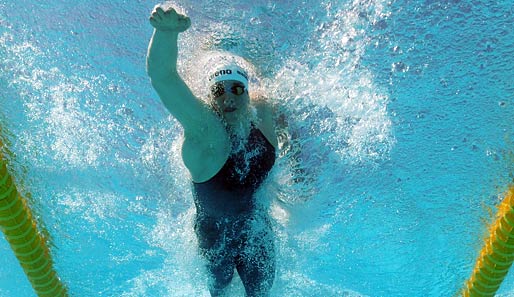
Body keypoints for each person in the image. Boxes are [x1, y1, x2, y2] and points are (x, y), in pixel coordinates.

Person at [147, 5, 278, 296]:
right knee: (219, 290)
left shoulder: (262, 113)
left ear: (247, 92)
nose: (229, 98)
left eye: (236, 89)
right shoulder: (207, 135)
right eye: (219, 90)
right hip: (215, 236)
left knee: (262, 293)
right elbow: (163, 79)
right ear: (209, 96)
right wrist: (166, 33)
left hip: (257, 230)